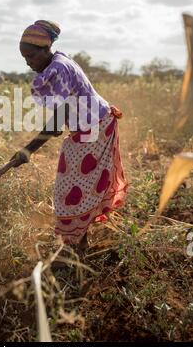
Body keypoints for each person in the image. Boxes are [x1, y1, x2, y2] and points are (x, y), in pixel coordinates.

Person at [10, 20, 128, 254]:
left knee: (72, 190)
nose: (29, 62)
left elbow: (55, 123)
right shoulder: (57, 63)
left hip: (95, 128)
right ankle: (79, 244)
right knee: (75, 187)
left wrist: (27, 151)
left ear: (46, 49)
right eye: (25, 58)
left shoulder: (60, 68)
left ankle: (77, 247)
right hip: (88, 128)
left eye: (32, 56)